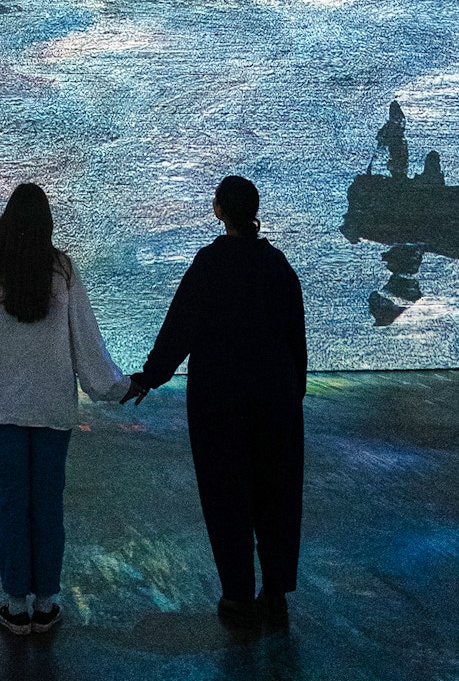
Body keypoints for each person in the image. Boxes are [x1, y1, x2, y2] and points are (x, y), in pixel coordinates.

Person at [122, 176, 307, 630]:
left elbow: (180, 327)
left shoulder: (209, 264)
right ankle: (277, 594)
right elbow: (296, 339)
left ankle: (239, 596)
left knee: (227, 493)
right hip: (276, 399)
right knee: (277, 493)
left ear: (218, 210)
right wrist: (293, 392)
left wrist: (151, 376)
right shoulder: (278, 265)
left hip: (218, 400)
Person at [0, 182, 131, 635]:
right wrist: (113, 386)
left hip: (1, 404)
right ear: (47, 225)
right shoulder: (64, 271)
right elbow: (87, 343)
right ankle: (47, 601)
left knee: (12, 502)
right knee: (47, 504)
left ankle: (15, 604)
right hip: (52, 406)